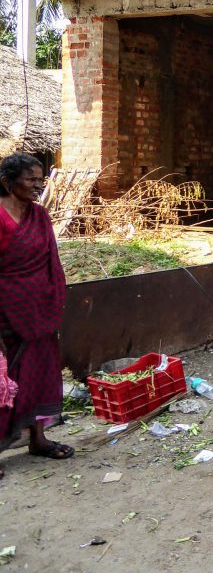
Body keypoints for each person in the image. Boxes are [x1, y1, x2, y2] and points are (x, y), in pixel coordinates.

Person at [0, 153, 73, 480]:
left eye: (40, 179)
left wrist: (53, 300)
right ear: (7, 182)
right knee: (5, 382)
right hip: (5, 312)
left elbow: (51, 262)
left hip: (39, 311)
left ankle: (38, 439)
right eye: (31, 179)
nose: (38, 185)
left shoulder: (40, 216)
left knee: (39, 375)